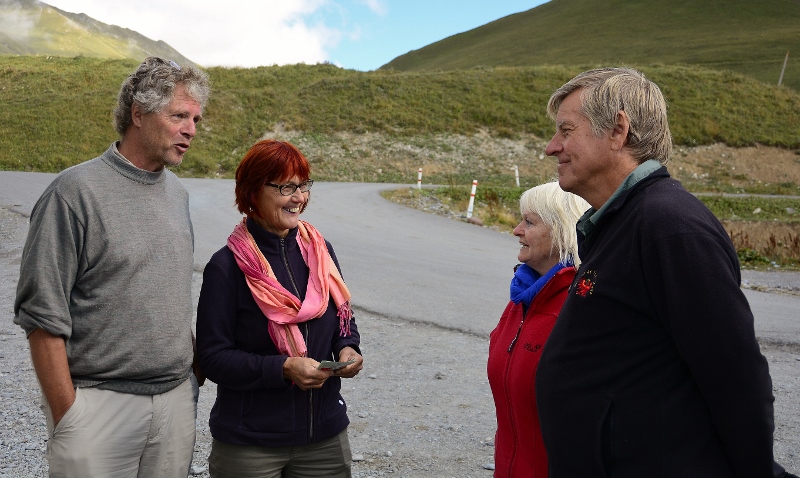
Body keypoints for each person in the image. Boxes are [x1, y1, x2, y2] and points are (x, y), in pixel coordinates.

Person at [535, 67, 796, 477]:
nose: (552, 147)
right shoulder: (624, 221)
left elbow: (734, 376)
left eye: (566, 130)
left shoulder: (670, 226)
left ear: (618, 130)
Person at [13, 57, 210, 477]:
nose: (191, 129)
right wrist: (71, 419)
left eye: (195, 118)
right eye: (179, 116)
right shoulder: (73, 193)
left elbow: (166, 290)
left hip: (175, 402)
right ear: (138, 113)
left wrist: (188, 377)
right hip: (98, 405)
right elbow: (41, 315)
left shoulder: (177, 194)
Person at [196, 139, 363, 478]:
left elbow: (343, 324)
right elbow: (213, 358)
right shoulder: (226, 267)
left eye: (303, 185)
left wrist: (348, 350)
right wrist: (283, 368)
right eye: (286, 187)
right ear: (253, 192)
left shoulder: (321, 251)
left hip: (324, 439)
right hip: (250, 446)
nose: (299, 197)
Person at [487, 181, 588, 478]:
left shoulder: (581, 308)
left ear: (562, 231)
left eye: (529, 222)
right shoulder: (521, 298)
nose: (516, 230)